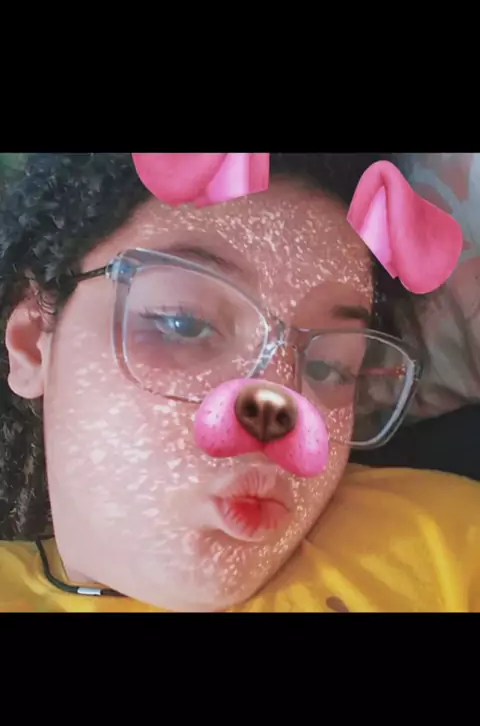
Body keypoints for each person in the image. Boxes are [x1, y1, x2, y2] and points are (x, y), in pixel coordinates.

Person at [0, 152, 478, 614]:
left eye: (328, 367)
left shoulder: (446, 540)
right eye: (183, 323)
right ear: (30, 342)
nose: (278, 409)